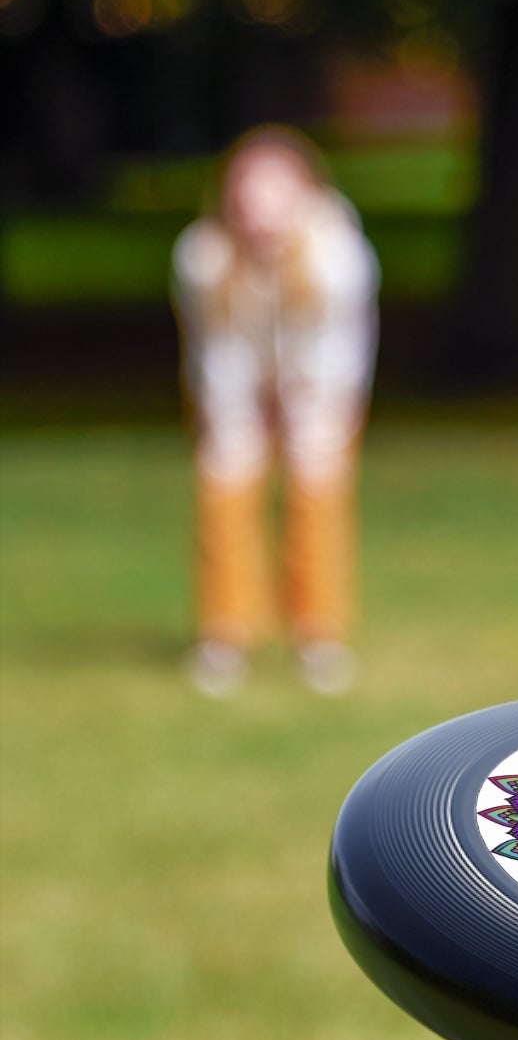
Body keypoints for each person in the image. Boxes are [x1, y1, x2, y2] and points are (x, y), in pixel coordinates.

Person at [172, 126, 379, 697]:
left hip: (320, 387)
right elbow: (216, 351)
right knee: (225, 487)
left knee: (317, 494)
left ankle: (319, 636)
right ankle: (225, 635)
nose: (259, 210)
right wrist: (238, 419)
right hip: (234, 385)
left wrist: (304, 412)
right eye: (248, 193)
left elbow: (337, 351)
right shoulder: (203, 257)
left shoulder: (338, 255)